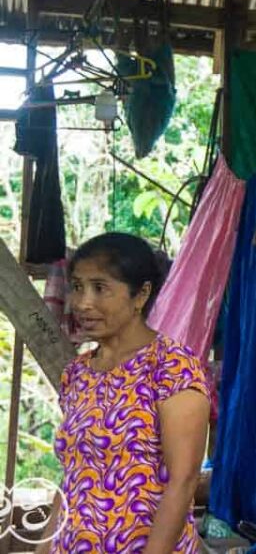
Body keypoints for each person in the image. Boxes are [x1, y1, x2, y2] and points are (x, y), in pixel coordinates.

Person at [39, 233, 210, 553]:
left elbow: (183, 481)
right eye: (77, 287)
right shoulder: (77, 374)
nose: (82, 303)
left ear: (140, 295)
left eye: (100, 288)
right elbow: (73, 479)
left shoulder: (171, 367)